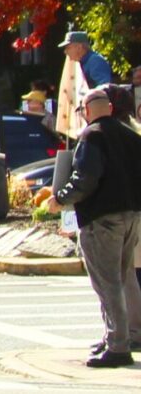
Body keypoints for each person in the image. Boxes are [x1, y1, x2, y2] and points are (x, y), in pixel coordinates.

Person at [56, 84, 141, 368]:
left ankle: (117, 346)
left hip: (102, 218)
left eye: (81, 110)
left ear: (88, 111)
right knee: (122, 276)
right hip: (132, 215)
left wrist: (60, 199)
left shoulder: (91, 136)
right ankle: (119, 336)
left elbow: (85, 178)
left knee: (108, 283)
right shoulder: (131, 137)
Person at [68, 31, 115, 100]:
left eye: (68, 48)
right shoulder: (80, 64)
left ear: (79, 47)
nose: (65, 51)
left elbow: (105, 87)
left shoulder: (95, 61)